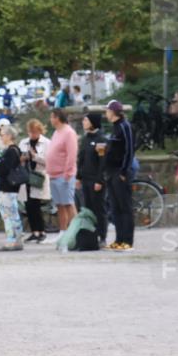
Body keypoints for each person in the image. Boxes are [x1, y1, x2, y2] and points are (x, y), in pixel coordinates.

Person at [0, 124, 26, 251]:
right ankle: (18, 238)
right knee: (13, 212)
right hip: (10, 187)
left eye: (2, 135)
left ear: (9, 136)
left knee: (7, 214)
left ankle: (11, 240)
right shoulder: (14, 150)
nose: (1, 138)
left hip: (6, 186)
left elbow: (4, 168)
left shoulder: (11, 151)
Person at [103, 99, 135, 251]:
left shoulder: (124, 126)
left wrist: (124, 171)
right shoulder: (114, 128)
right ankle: (119, 238)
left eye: (107, 110)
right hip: (110, 172)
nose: (106, 113)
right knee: (115, 208)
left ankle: (128, 240)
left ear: (113, 112)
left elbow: (129, 150)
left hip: (120, 172)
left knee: (125, 207)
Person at [77, 112, 108, 246]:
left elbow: (103, 162)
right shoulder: (85, 139)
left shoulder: (101, 139)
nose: (83, 123)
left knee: (99, 208)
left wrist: (100, 180)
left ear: (93, 122)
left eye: (86, 120)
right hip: (86, 179)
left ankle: (102, 236)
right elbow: (81, 159)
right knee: (88, 208)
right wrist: (78, 177)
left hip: (96, 180)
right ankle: (91, 236)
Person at [46, 108, 79, 232]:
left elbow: (71, 154)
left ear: (57, 118)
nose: (50, 119)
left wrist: (68, 173)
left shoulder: (69, 132)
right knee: (59, 205)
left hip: (64, 175)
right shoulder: (56, 132)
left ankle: (77, 232)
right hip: (53, 175)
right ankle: (63, 231)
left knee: (68, 204)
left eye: (52, 117)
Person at [19, 119, 51, 243]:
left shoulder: (47, 143)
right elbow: (19, 158)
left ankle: (41, 231)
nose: (32, 135)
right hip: (26, 176)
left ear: (40, 131)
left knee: (36, 204)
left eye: (35, 132)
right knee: (28, 205)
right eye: (30, 132)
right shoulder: (23, 142)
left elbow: (49, 161)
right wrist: (23, 158)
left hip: (38, 176)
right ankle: (34, 231)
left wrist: (35, 157)